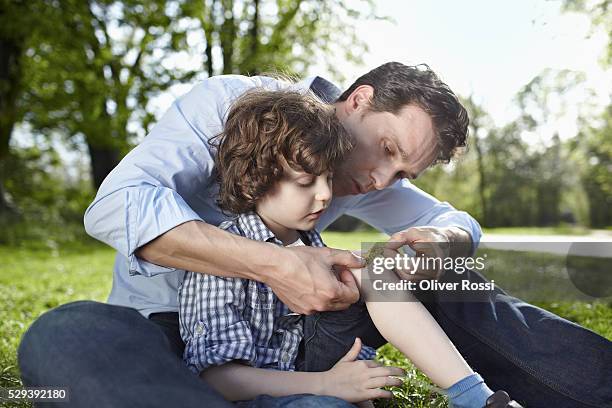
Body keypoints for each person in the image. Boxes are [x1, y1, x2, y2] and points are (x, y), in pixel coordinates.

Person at [18, 63, 612, 408]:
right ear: (357, 102)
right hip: (167, 327)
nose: (380, 180)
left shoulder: (363, 173)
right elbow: (115, 205)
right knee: (67, 332)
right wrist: (273, 264)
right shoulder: (233, 108)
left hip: (297, 337)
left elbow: (452, 220)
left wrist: (442, 244)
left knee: (440, 276)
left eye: (401, 173)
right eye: (386, 151)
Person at [178, 88, 519, 408]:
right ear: (256, 177)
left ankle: (474, 396)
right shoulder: (221, 259)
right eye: (306, 182)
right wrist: (328, 384)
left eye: (327, 177)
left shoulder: (310, 241)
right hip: (265, 395)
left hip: (315, 370)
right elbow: (219, 379)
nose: (326, 194)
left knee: (374, 267)